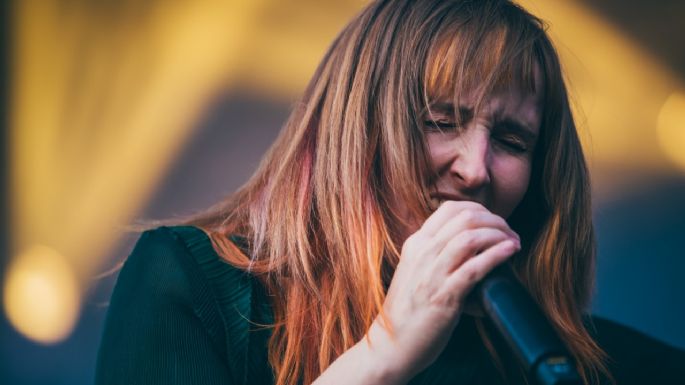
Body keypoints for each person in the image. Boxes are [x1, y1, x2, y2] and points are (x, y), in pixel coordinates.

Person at [95, 0, 685, 384]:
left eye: (511, 139)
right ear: (358, 128)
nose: (476, 168)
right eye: (440, 120)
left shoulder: (583, 364)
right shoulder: (189, 283)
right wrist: (386, 351)